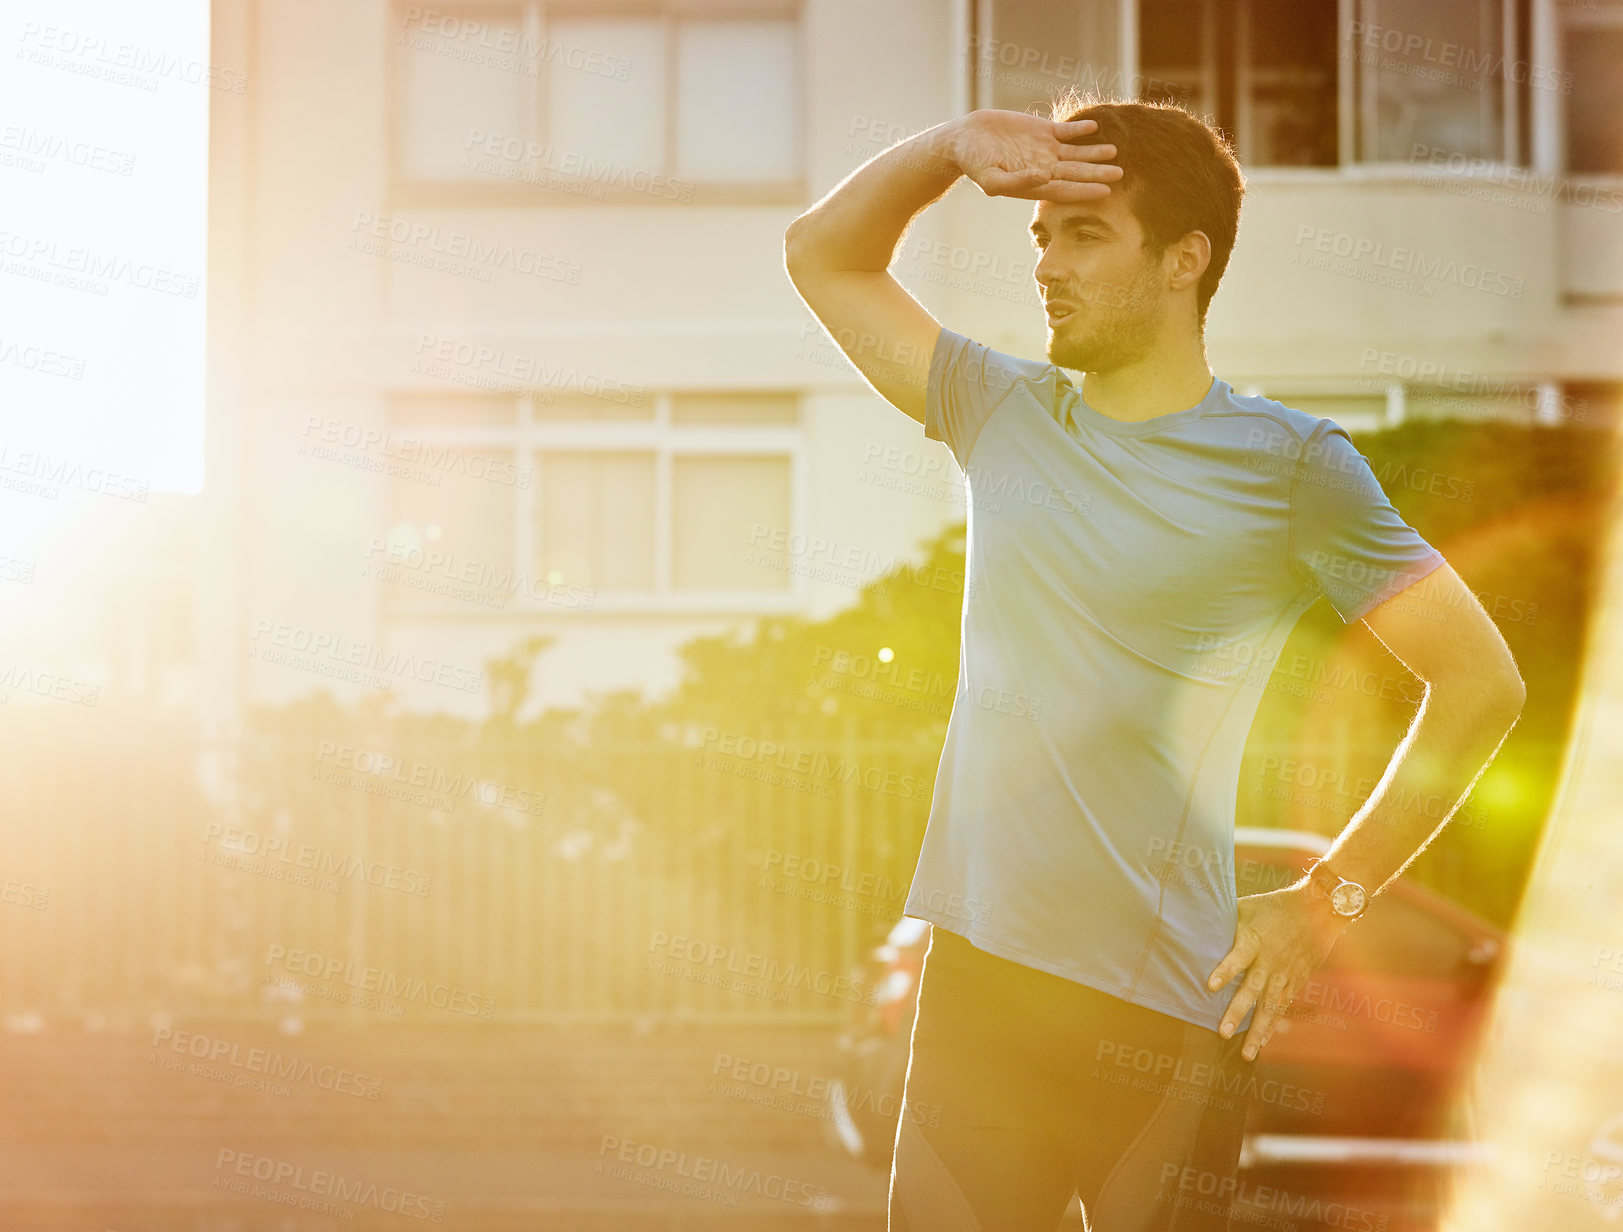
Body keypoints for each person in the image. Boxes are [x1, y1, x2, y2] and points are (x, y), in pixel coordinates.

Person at [784, 91, 1527, 1232]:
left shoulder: (1291, 465)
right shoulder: (999, 409)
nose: (1048, 265)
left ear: (1185, 259)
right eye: (1041, 235)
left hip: (1166, 1023)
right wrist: (945, 149)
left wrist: (1325, 896)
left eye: (1086, 234)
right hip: (982, 984)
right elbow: (823, 256)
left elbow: (1481, 682)